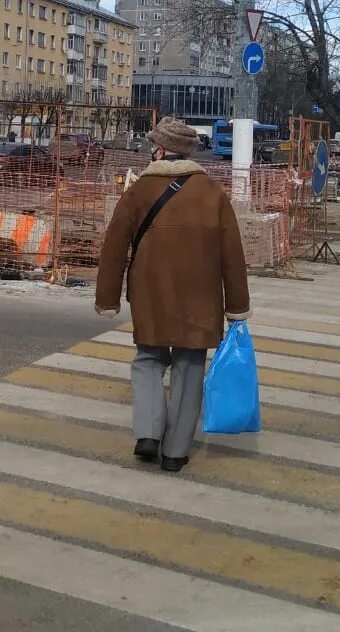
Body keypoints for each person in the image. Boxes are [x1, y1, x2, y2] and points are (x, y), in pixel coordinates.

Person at [95, 116, 251, 473]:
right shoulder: (212, 192)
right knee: (190, 365)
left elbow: (114, 247)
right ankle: (177, 451)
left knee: (148, 359)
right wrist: (237, 307)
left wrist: (107, 298)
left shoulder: (139, 191)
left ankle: (148, 434)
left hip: (151, 292)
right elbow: (232, 253)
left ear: (161, 150)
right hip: (202, 297)